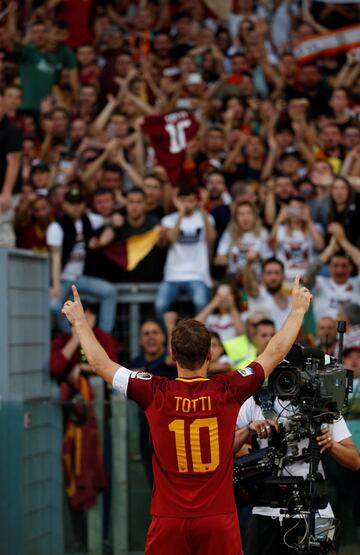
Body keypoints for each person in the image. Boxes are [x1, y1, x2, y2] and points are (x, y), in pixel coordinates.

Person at [61, 275, 312, 555]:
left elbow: (98, 362)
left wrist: (80, 322)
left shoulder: (154, 391)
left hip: (168, 520)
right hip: (217, 517)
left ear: (172, 354)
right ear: (209, 355)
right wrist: (298, 311)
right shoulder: (229, 389)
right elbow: (275, 352)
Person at [154, 183, 216, 324]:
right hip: (172, 275)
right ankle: (169, 338)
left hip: (198, 275)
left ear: (196, 200)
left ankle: (197, 341)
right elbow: (172, 239)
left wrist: (202, 209)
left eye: (191, 200)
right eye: (184, 200)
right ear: (178, 201)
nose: (187, 204)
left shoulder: (206, 218)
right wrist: (181, 213)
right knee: (160, 305)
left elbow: (211, 238)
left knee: (201, 304)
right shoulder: (168, 219)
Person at [0, 88, 22, 247]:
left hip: (5, 192)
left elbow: (14, 161)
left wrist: (6, 192)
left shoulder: (11, 130)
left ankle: (5, 270)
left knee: (3, 229)